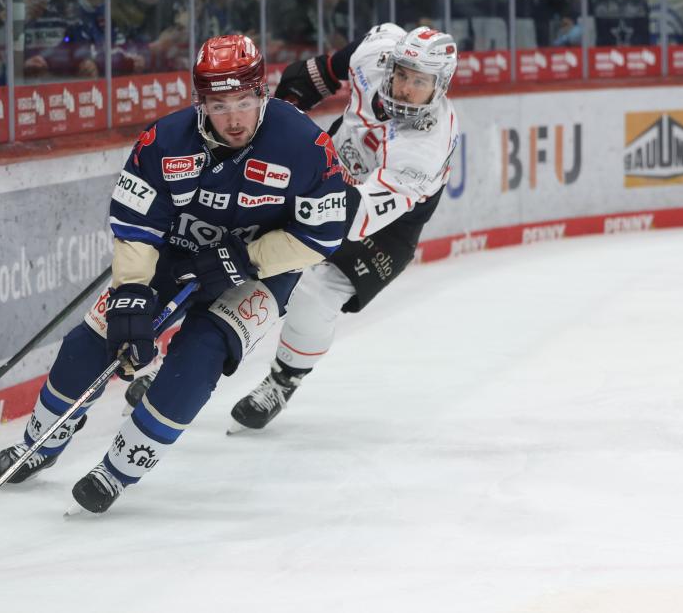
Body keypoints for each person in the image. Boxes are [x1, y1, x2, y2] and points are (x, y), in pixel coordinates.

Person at [0, 34, 348, 514]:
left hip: (261, 269)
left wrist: (247, 258)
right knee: (94, 339)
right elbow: (137, 227)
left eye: (244, 101)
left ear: (263, 93)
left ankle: (119, 469)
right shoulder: (163, 142)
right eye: (220, 105)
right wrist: (133, 292)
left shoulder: (305, 145)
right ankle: (41, 442)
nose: (235, 118)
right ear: (200, 101)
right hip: (175, 256)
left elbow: (321, 236)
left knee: (199, 357)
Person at [126, 24, 459, 433]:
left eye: (419, 82)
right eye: (402, 73)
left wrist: (289, 198)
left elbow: (349, 218)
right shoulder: (374, 54)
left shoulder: (424, 149)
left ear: (440, 86)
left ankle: (284, 380)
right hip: (333, 171)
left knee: (315, 292)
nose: (405, 88)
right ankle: (169, 371)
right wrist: (271, 131)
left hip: (384, 221)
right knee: (222, 257)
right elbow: (311, 74)